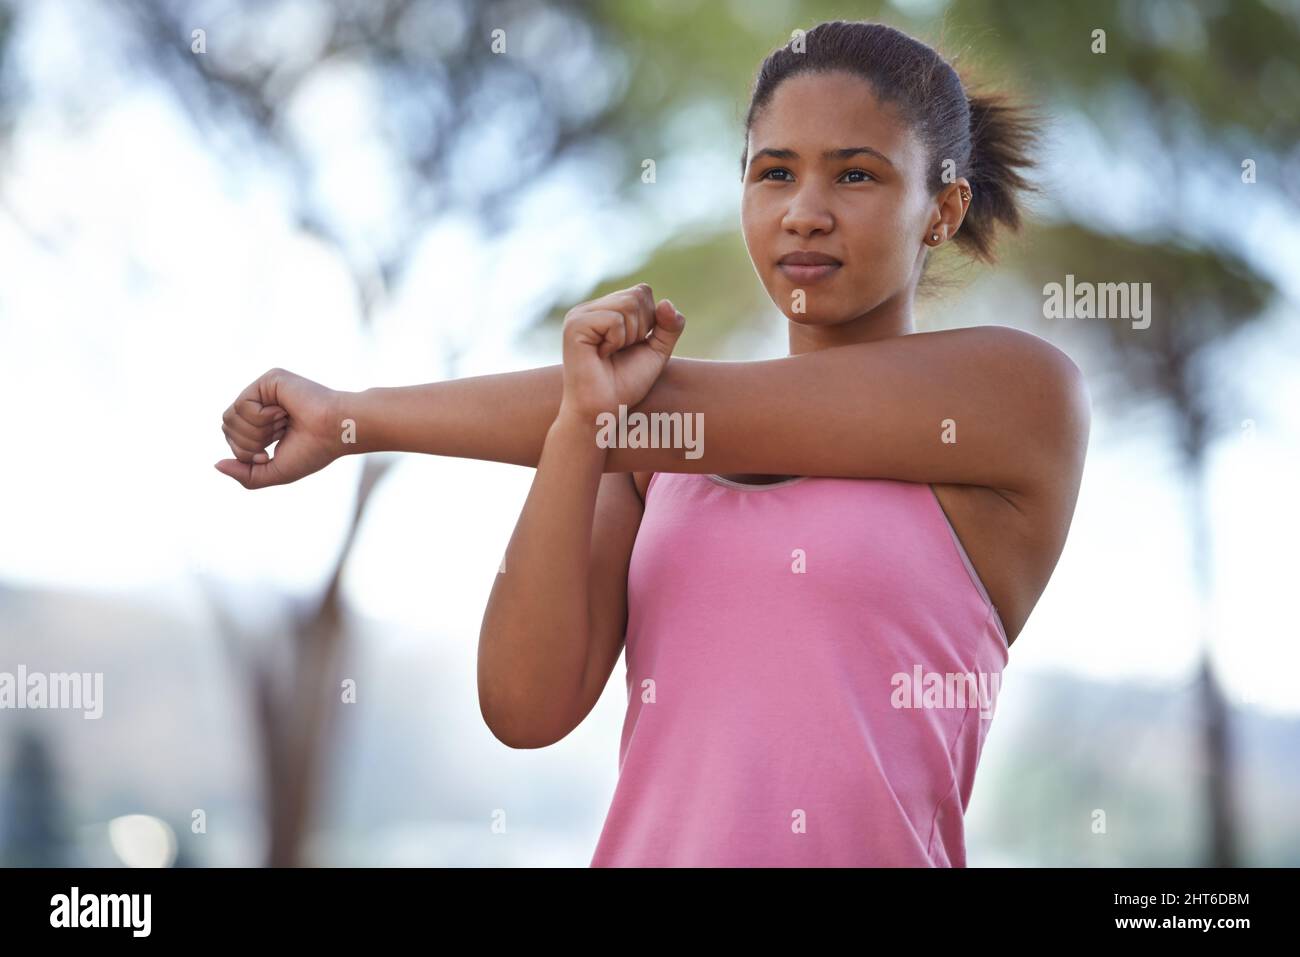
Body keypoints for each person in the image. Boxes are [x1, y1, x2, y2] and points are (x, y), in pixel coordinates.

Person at [214, 20, 1090, 867]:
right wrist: (578, 431)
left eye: (856, 176)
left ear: (942, 209)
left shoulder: (1017, 398)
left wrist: (354, 415)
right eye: (774, 173)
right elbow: (525, 707)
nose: (805, 213)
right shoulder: (642, 439)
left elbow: (712, 411)